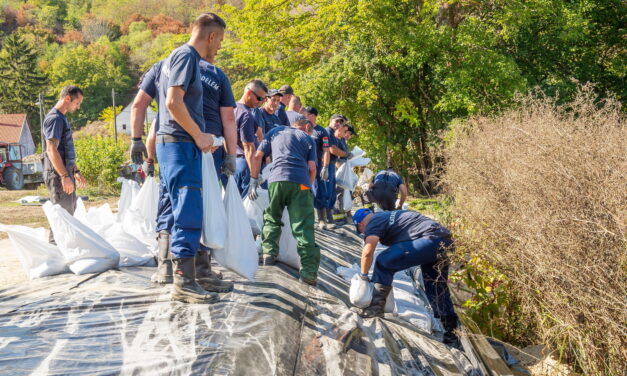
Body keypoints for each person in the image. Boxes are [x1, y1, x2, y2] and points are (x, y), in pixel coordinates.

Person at [155, 13, 226, 304]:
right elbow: (173, 102)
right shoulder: (186, 57)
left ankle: (193, 276)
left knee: (185, 208)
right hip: (181, 144)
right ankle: (183, 282)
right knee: (188, 208)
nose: (219, 47)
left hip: (177, 144)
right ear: (211, 36)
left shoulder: (176, 57)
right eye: (220, 40)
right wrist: (199, 135)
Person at [352, 208, 460, 346]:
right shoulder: (386, 215)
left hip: (430, 239)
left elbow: (368, 251)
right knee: (435, 285)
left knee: (383, 262)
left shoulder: (373, 222)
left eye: (361, 231)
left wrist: (363, 276)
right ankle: (452, 333)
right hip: (444, 240)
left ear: (360, 224)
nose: (363, 233)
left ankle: (376, 308)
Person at [248, 118, 320, 286]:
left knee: (272, 216)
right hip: (300, 183)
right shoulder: (308, 138)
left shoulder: (275, 132)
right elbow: (312, 168)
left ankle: (268, 254)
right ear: (306, 127)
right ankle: (308, 272)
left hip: (276, 180)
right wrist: (308, 187)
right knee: (303, 226)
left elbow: (257, 156)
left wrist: (253, 179)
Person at [43, 85, 87, 244]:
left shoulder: (61, 118)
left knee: (68, 212)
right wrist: (63, 175)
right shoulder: (54, 118)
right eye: (78, 102)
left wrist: (75, 171)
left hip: (66, 173)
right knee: (61, 215)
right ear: (68, 98)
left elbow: (64, 150)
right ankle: (55, 251)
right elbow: (51, 149)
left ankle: (62, 250)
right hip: (57, 174)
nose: (78, 106)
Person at [235, 79, 268, 197]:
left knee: (233, 208)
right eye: (259, 98)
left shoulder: (231, 109)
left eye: (263, 100)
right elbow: (248, 148)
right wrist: (254, 177)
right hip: (245, 164)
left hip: (231, 164)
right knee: (246, 207)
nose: (260, 103)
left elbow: (260, 135)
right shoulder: (246, 115)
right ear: (249, 93)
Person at [302, 107, 331, 230]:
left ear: (313, 116)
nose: (304, 116)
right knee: (303, 189)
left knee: (320, 191)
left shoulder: (321, 132)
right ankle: (305, 218)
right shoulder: (302, 129)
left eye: (306, 114)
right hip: (303, 165)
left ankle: (321, 219)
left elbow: (326, 150)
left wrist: (326, 166)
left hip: (317, 165)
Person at [325, 115, 351, 227]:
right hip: (327, 165)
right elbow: (333, 150)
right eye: (337, 121)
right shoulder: (328, 132)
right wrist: (346, 154)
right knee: (326, 193)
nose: (338, 124)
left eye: (341, 122)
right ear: (331, 121)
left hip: (331, 165)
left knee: (331, 194)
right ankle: (326, 219)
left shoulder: (334, 135)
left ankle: (329, 218)